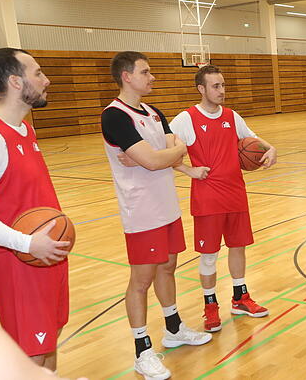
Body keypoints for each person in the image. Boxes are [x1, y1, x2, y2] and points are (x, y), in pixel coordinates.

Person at [101, 51, 210, 380]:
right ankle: (142, 350)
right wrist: (166, 153)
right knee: (141, 280)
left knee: (168, 266)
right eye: (145, 72)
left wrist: (163, 154)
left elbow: (168, 151)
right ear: (126, 76)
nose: (152, 78)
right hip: (141, 211)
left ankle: (173, 329)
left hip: (166, 205)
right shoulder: (115, 116)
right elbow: (158, 157)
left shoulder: (153, 111)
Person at [0, 48, 72, 371]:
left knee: (48, 342)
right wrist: (29, 244)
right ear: (16, 82)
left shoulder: (25, 128)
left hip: (46, 253)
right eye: (38, 73)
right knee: (29, 353)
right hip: (18, 262)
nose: (47, 80)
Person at [168, 65, 275, 332]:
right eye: (216, 86)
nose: (222, 91)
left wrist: (270, 148)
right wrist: (187, 169)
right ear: (201, 89)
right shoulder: (186, 118)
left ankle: (240, 297)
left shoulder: (231, 116)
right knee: (209, 255)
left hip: (236, 193)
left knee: (238, 247)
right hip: (208, 198)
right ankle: (210, 305)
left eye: (223, 85)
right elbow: (162, 149)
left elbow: (252, 139)